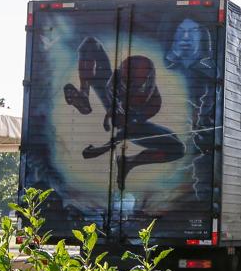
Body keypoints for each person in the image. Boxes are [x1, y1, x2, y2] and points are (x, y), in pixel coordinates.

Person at [63, 36, 185, 190]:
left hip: (132, 124)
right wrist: (98, 97)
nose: (123, 86)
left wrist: (105, 147)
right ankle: (84, 93)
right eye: (122, 80)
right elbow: (91, 47)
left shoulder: (153, 104)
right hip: (117, 107)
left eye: (129, 85)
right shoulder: (115, 80)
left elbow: (129, 130)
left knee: (177, 148)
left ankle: (130, 162)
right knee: (91, 43)